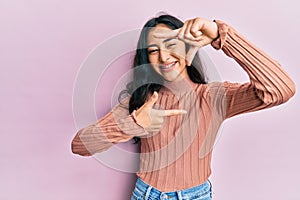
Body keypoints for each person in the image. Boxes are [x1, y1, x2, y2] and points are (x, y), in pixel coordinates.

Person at [71, 14, 295, 200]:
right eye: (153, 50)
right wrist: (132, 125)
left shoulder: (213, 97)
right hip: (145, 194)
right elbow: (79, 145)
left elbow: (280, 89)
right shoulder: (139, 101)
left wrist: (222, 36)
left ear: (188, 47)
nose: (164, 56)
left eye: (170, 45)